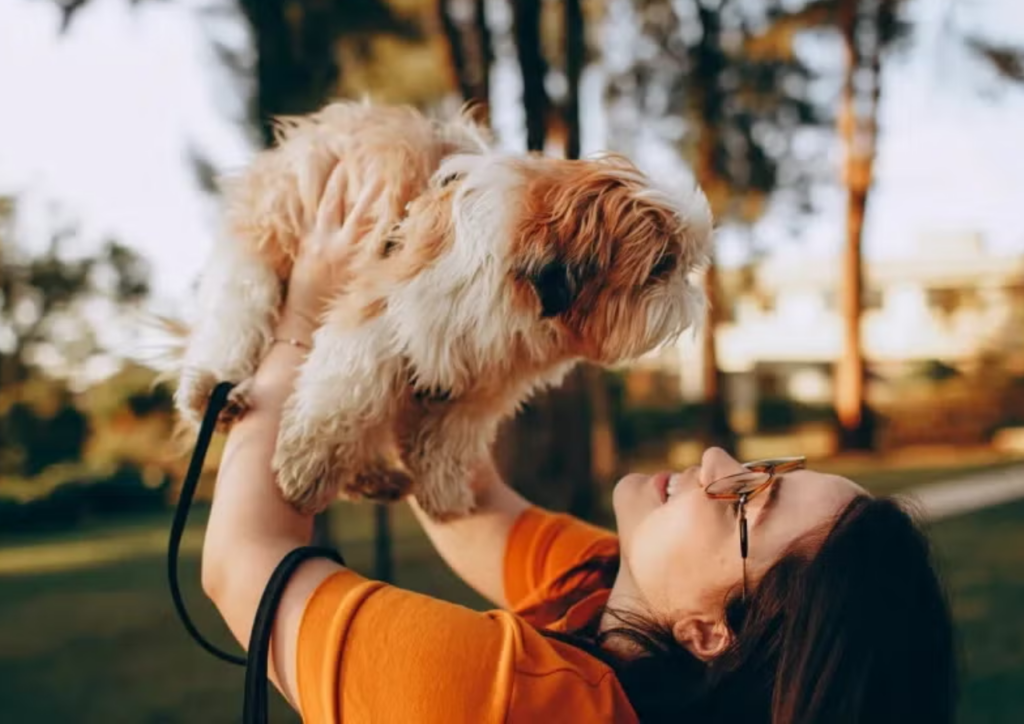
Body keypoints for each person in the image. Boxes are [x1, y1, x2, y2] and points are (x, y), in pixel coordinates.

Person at [201, 168, 958, 723]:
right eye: (759, 470)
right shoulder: (611, 587)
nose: (714, 463)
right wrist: (426, 303)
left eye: (745, 502)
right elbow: (468, 506)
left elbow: (242, 566)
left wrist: (306, 309)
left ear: (707, 633)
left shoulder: (505, 700)